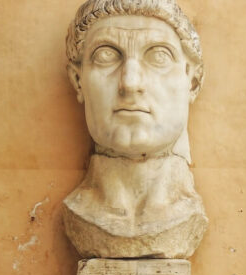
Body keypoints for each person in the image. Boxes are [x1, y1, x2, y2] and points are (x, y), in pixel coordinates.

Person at [62, 0, 208, 259]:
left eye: (159, 56)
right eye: (106, 55)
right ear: (78, 81)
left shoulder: (186, 214)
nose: (130, 83)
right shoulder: (78, 211)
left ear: (193, 81)